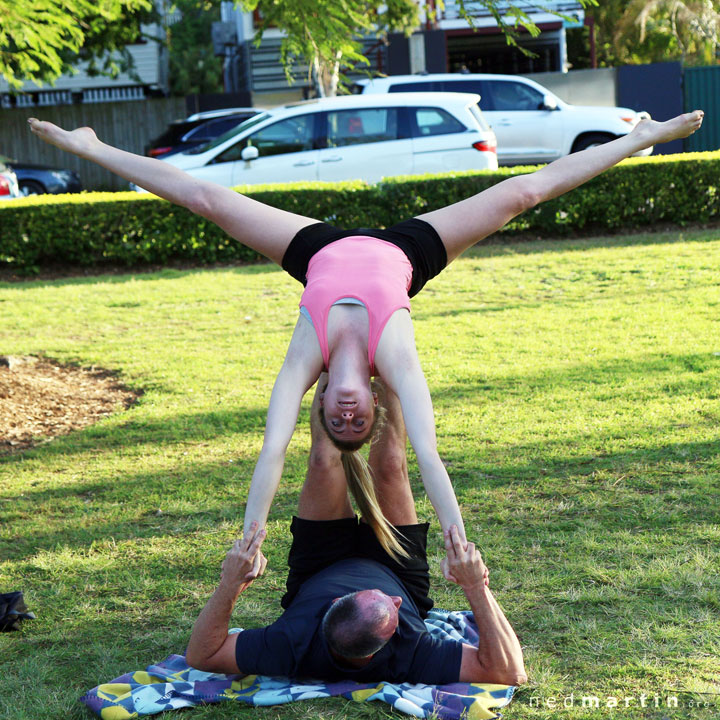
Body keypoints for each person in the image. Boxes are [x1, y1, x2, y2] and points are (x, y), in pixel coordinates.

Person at [28, 110, 705, 556]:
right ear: (375, 407)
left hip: (316, 254)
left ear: (321, 405)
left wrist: (251, 534)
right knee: (521, 195)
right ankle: (641, 137)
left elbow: (270, 452)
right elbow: (432, 459)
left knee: (204, 199)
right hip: (404, 258)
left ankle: (92, 145)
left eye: (337, 422)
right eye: (360, 424)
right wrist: (455, 534)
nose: (348, 416)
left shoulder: (306, 358)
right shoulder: (394, 359)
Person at [184, 379, 527, 685]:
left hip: (318, 568)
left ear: (336, 604)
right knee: (391, 463)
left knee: (323, 458)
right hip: (399, 570)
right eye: (392, 607)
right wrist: (475, 587)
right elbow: (509, 671)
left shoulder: (291, 643)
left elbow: (202, 655)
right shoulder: (412, 654)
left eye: (366, 596)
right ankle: (388, 364)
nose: (390, 599)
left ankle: (331, 368)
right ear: (393, 632)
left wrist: (230, 583)